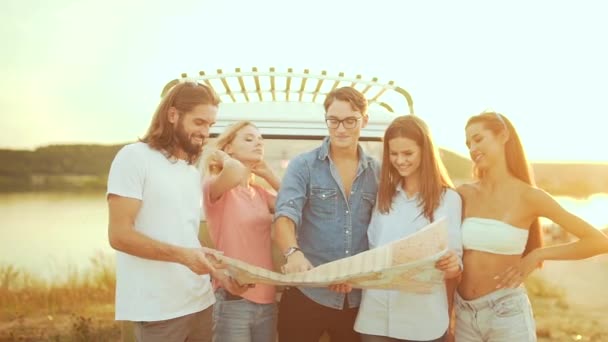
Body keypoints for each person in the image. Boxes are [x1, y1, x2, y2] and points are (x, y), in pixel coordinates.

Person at [107, 81, 245, 342]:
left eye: (210, 125)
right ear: (173, 115)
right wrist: (184, 256)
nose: (205, 132)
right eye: (199, 122)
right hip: (157, 312)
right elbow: (119, 235)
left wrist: (218, 274)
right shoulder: (133, 158)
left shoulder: (190, 172)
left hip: (200, 303)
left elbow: (183, 238)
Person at [455, 111, 608, 341]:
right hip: (464, 316)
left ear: (503, 135)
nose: (472, 148)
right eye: (468, 144)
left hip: (506, 315)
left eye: (478, 139)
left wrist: (538, 255)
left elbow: (597, 242)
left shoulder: (530, 196)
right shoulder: (464, 194)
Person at [273, 86, 381, 342]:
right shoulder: (303, 165)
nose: (341, 129)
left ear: (364, 120)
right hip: (307, 292)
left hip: (356, 299)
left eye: (350, 121)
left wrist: (357, 273)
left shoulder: (378, 172)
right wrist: (292, 252)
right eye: (333, 121)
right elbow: (285, 216)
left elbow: (384, 229)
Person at [354, 115, 463, 342]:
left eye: (408, 153)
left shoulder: (449, 199)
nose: (400, 160)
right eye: (394, 154)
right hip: (375, 318)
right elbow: (373, 249)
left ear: (425, 151)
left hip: (423, 321)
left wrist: (452, 264)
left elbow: (455, 266)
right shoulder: (384, 196)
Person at [202, 121, 281, 342]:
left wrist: (269, 175)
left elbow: (297, 204)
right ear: (229, 148)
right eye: (248, 138)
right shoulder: (216, 188)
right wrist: (223, 158)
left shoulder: (260, 193)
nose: (258, 142)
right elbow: (234, 173)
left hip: (267, 299)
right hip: (233, 298)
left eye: (260, 139)